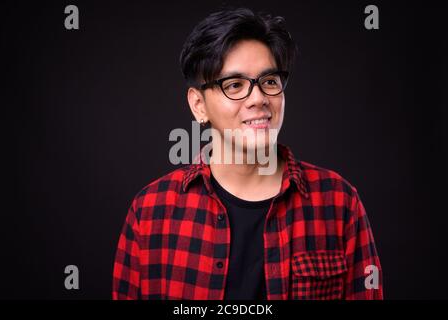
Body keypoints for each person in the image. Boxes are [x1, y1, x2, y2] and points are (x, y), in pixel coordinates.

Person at [112, 7, 383, 300]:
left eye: (269, 82)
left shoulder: (339, 202)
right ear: (198, 105)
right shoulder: (150, 211)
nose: (258, 99)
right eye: (235, 85)